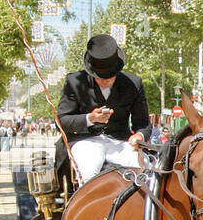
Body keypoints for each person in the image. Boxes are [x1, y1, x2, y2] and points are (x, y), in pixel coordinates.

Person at [56, 35, 150, 184]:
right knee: (89, 175)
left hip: (121, 142)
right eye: (99, 77)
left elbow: (143, 123)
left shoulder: (133, 84)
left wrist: (140, 136)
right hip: (85, 141)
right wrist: (89, 119)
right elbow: (62, 121)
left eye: (109, 77)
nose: (105, 81)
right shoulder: (74, 82)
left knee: (147, 171)